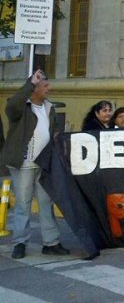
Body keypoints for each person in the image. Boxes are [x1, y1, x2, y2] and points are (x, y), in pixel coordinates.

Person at [1, 70, 71, 259]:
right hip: (24, 163)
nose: (50, 89)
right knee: (23, 204)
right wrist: (30, 83)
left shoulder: (49, 107)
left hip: (44, 163)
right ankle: (20, 242)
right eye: (45, 86)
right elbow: (12, 105)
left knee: (46, 202)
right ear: (35, 88)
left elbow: (52, 131)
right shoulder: (21, 107)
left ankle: (51, 242)